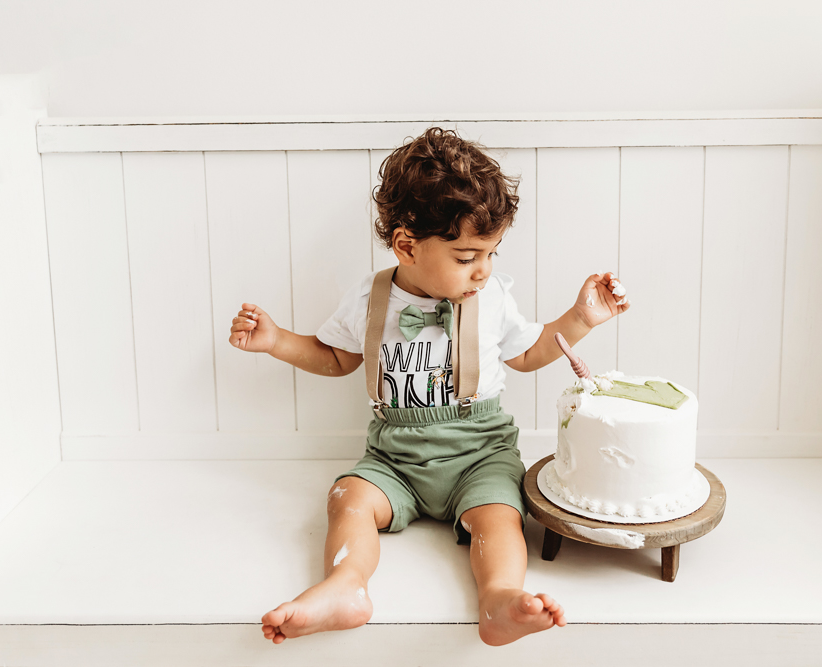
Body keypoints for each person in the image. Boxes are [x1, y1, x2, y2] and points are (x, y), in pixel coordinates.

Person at [228, 127, 630, 646]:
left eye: (491, 254)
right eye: (466, 257)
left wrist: (580, 318)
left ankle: (499, 598)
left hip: (479, 452)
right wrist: (277, 341)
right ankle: (346, 585)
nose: (482, 271)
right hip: (394, 457)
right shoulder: (370, 299)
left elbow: (529, 354)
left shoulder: (492, 297)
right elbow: (335, 358)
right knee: (348, 499)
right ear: (406, 246)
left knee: (501, 518)